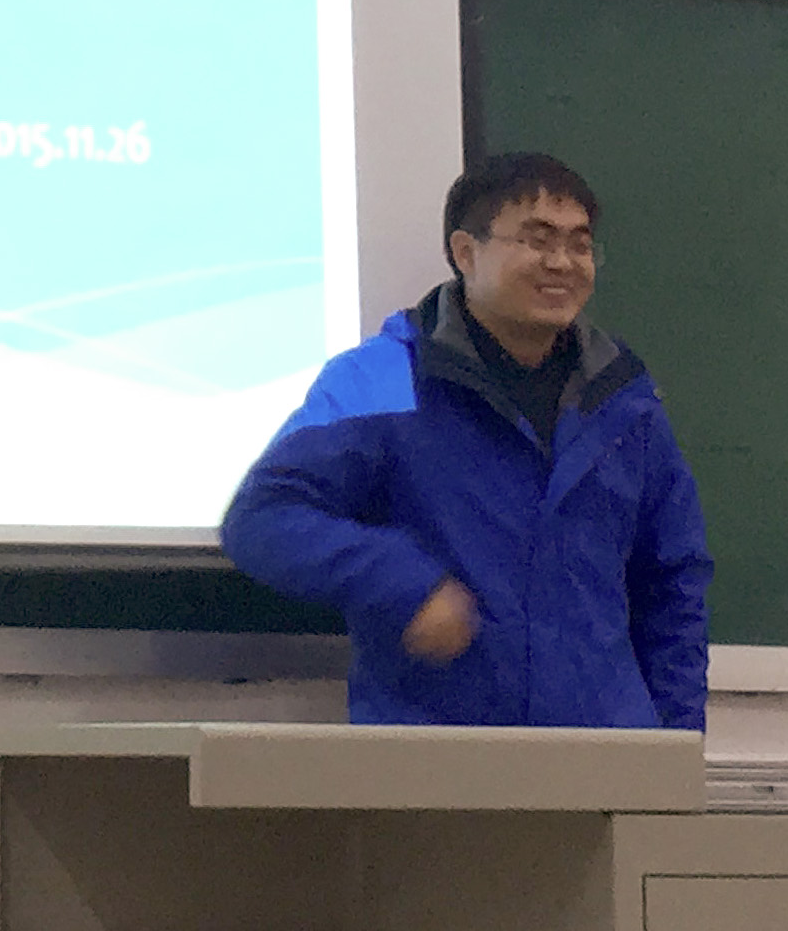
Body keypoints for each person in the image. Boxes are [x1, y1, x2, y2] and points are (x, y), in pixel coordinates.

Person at [219, 152, 712, 729]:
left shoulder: (623, 399)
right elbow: (263, 516)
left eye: (579, 245)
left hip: (602, 755)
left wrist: (677, 742)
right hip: (435, 755)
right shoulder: (382, 378)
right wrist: (405, 583)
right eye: (537, 240)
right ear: (465, 252)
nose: (562, 263)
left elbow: (673, 582)